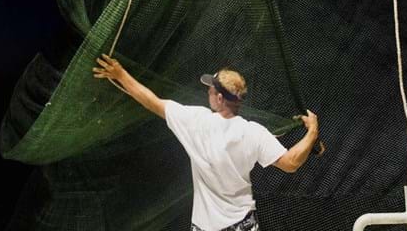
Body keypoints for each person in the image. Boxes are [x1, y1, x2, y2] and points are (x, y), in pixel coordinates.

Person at [92, 54, 320, 231]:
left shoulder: (196, 122)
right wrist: (312, 132)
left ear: (220, 98)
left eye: (211, 89)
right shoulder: (253, 132)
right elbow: (291, 163)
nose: (208, 92)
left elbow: (152, 102)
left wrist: (120, 74)